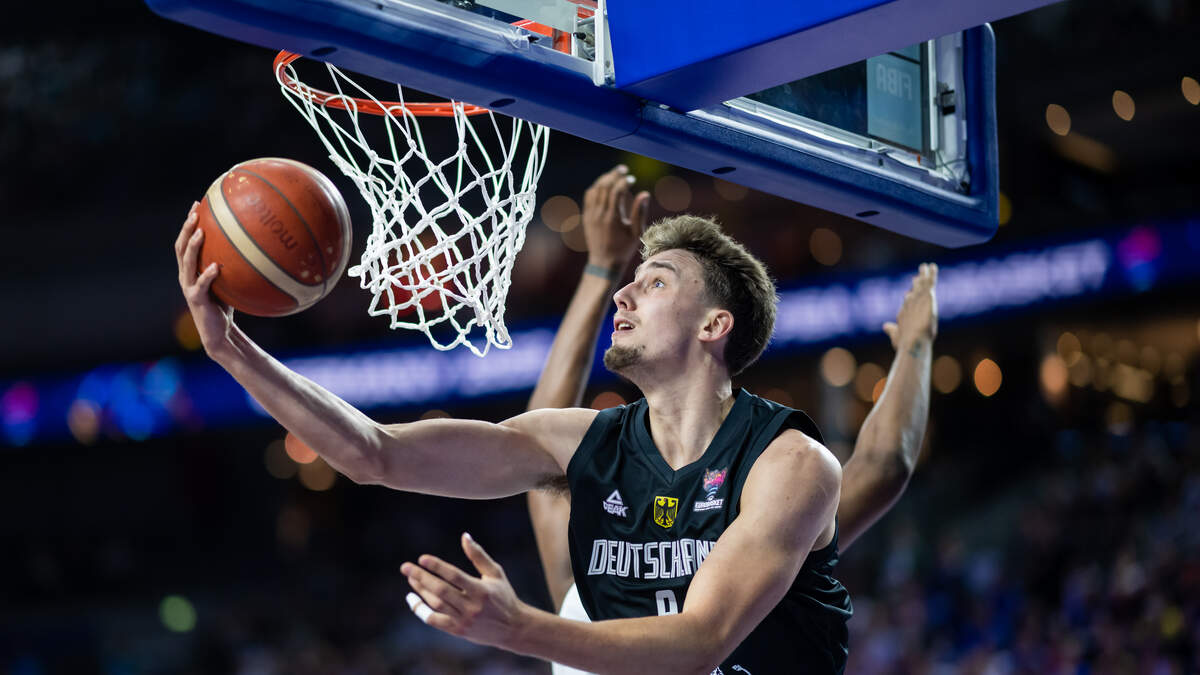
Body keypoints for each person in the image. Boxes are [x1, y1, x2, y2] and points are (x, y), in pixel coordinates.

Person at [174, 165, 936, 673]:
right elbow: (375, 453)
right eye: (626, 283)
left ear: (714, 325)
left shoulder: (788, 462)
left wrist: (515, 626)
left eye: (655, 282)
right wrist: (230, 349)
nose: (625, 295)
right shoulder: (585, 448)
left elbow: (700, 642)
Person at [522, 167, 937, 673]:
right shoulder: (589, 589)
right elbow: (881, 467)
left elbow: (880, 467)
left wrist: (601, 269)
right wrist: (915, 348)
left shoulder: (762, 518)